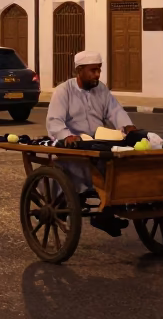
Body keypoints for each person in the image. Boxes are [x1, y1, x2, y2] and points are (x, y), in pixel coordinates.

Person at [45, 50, 139, 236]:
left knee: (121, 164)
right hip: (74, 148)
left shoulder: (101, 89)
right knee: (88, 167)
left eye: (99, 70)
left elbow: (115, 110)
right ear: (79, 71)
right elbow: (54, 121)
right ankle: (100, 208)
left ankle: (107, 211)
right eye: (93, 70)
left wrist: (127, 126)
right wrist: (67, 136)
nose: (97, 75)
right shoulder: (64, 91)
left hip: (98, 144)